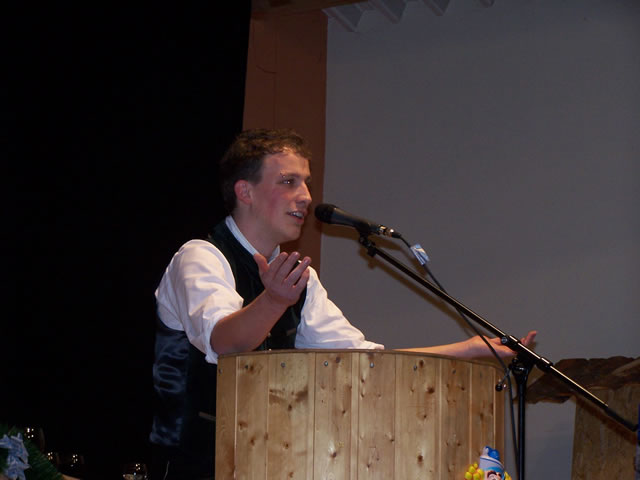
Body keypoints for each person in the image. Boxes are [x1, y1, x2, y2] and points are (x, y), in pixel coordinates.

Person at [149, 128, 536, 479]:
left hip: (269, 464)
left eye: (306, 182)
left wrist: (469, 349)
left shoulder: (300, 279)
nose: (306, 196)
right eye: (288, 181)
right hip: (194, 466)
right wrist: (274, 301)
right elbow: (224, 343)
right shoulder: (200, 257)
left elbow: (361, 361)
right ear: (245, 192)